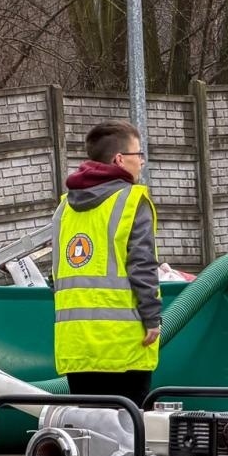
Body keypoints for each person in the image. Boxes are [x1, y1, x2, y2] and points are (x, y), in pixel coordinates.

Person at [52, 120, 160, 407]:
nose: (142, 163)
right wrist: (152, 318)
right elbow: (142, 265)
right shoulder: (131, 201)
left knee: (88, 433)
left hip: (76, 344)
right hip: (123, 343)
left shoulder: (64, 207)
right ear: (120, 159)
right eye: (139, 155)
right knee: (128, 436)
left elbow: (57, 273)